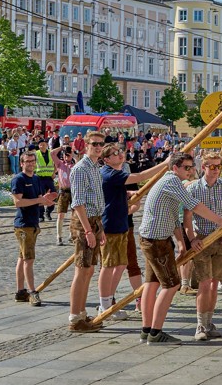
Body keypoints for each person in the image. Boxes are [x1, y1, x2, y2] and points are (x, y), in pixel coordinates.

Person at [134, 151, 222, 344]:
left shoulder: (171, 182)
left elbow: (174, 218)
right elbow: (195, 207)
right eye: (186, 168)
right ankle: (155, 332)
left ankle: (147, 330)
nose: (190, 171)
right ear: (175, 168)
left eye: (191, 167)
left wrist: (180, 242)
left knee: (152, 284)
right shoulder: (172, 182)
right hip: (156, 240)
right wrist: (221, 221)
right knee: (171, 285)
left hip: (154, 238)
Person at [96, 142, 163, 320]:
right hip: (110, 226)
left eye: (120, 151)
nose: (120, 154)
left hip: (122, 224)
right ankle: (103, 305)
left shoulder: (115, 175)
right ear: (106, 159)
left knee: (120, 265)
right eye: (115, 153)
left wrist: (128, 194)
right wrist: (166, 163)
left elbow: (115, 193)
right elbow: (140, 176)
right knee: (108, 265)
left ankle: (110, 303)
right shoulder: (109, 173)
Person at [185, 154, 222, 341]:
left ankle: (209, 322)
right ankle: (200, 324)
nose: (216, 170)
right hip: (202, 239)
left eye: (218, 166)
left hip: (221, 239)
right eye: (212, 166)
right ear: (204, 166)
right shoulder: (193, 188)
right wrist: (191, 239)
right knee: (204, 283)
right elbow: (187, 218)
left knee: (216, 284)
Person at [66, 133, 108, 331]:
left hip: (94, 221)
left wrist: (99, 228)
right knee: (81, 269)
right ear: (86, 146)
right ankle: (75, 318)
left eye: (101, 144)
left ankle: (82, 313)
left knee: (89, 269)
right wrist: (88, 230)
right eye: (94, 144)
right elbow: (78, 203)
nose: (98, 147)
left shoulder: (95, 168)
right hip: (84, 222)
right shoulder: (81, 169)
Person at [10, 151, 59, 303]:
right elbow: (18, 202)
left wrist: (46, 201)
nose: (31, 163)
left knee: (22, 258)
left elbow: (38, 199)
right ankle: (32, 292)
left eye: (33, 161)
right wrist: (39, 200)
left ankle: (20, 291)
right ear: (22, 163)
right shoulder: (18, 179)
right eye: (28, 161)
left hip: (33, 223)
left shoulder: (36, 179)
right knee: (28, 260)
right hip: (23, 225)